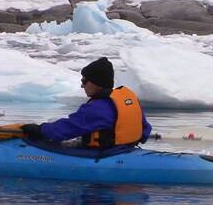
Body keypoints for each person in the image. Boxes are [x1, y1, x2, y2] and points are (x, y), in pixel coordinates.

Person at [21, 57, 151, 149]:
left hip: (107, 155)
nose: (82, 86)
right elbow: (145, 130)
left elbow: (67, 128)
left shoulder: (98, 108)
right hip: (126, 150)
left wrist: (40, 130)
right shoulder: (125, 100)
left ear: (96, 83)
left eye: (85, 81)